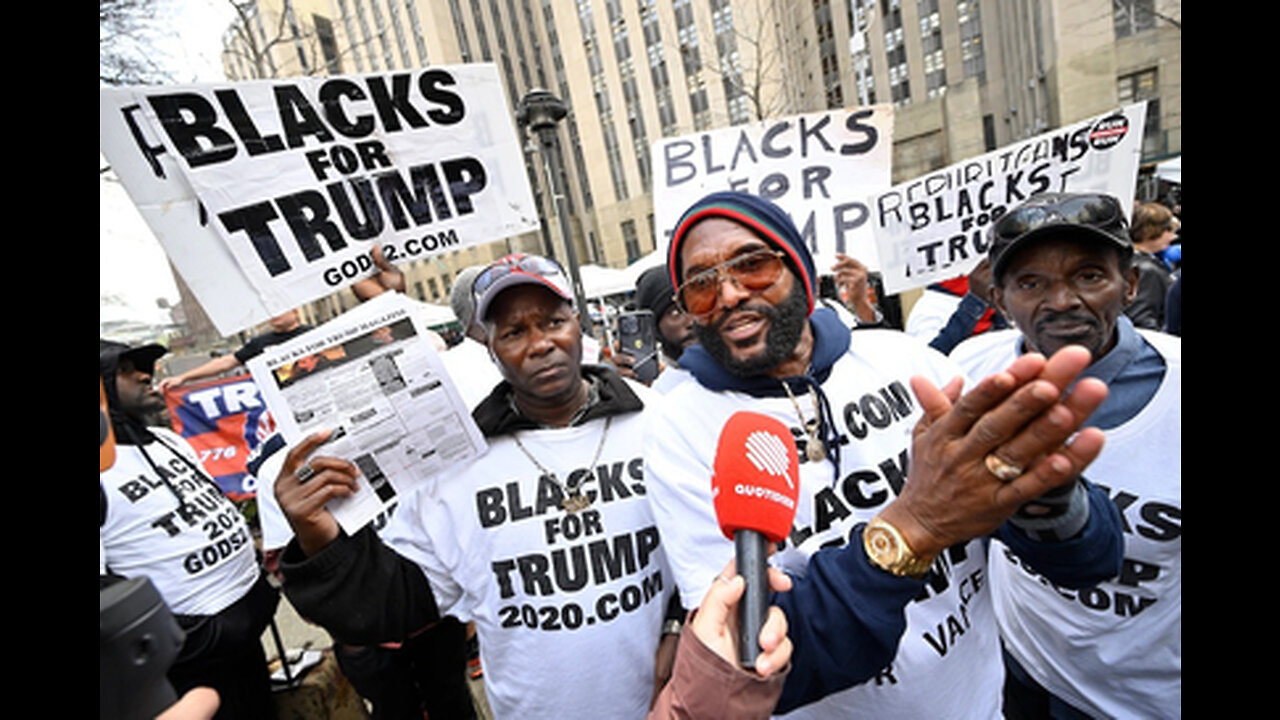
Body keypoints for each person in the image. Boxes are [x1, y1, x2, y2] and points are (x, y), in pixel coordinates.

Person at [644, 191, 1124, 718]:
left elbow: (1089, 559)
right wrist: (913, 526)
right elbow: (753, 657)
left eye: (752, 265)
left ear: (800, 269)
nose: (730, 294)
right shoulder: (676, 427)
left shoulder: (902, 358)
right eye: (701, 286)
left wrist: (1045, 501)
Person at [275, 254, 678, 719]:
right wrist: (315, 532)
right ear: (488, 346)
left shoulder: (658, 420)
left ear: (578, 324)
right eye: (513, 332)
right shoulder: (456, 465)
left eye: (552, 321)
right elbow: (396, 603)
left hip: (665, 706)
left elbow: (710, 556)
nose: (540, 344)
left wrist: (677, 625)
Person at [951, 191, 1181, 719]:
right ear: (1000, 299)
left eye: (1088, 276)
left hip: (1147, 696)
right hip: (1020, 669)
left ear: (1129, 285)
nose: (1061, 301)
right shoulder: (969, 373)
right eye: (1031, 283)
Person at [100, 340, 278, 720]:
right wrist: (188, 634)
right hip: (191, 659)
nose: (145, 375)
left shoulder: (169, 440)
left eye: (143, 365)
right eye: (124, 370)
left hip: (246, 631)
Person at [159, 309, 310, 391]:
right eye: (268, 311)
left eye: (278, 310)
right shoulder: (260, 343)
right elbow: (227, 362)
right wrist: (183, 378)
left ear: (295, 311)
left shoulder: (313, 334)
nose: (273, 315)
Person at [631, 264, 697, 392]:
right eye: (675, 313)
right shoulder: (656, 394)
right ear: (655, 328)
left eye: (694, 306)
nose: (691, 322)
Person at [1123, 201, 1178, 330]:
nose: (1172, 236)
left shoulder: (1129, 259)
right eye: (1168, 230)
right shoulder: (1147, 270)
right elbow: (1141, 318)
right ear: (1152, 231)